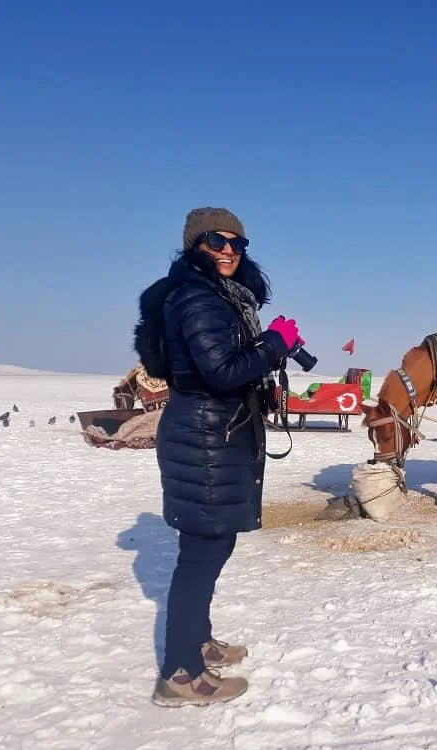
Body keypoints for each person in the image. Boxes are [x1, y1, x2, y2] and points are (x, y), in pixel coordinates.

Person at [144, 207, 302, 707]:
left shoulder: (221, 297)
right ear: (196, 244)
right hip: (205, 438)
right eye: (217, 240)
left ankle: (198, 641)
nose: (230, 250)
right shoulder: (196, 298)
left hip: (218, 434)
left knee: (214, 547)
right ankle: (180, 676)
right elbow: (221, 371)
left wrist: (265, 348)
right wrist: (275, 344)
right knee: (201, 556)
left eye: (238, 242)